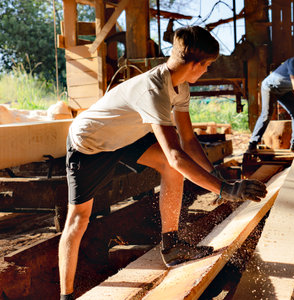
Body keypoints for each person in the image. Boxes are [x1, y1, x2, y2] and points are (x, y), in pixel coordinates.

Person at [58, 26, 267, 300]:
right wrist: (225, 190)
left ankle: (171, 246)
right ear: (194, 65)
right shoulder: (154, 90)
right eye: (206, 66)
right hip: (89, 143)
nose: (206, 72)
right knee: (79, 218)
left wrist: (216, 177)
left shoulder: (180, 87)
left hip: (127, 135)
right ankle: (66, 295)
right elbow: (176, 155)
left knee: (170, 169)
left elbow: (189, 141)